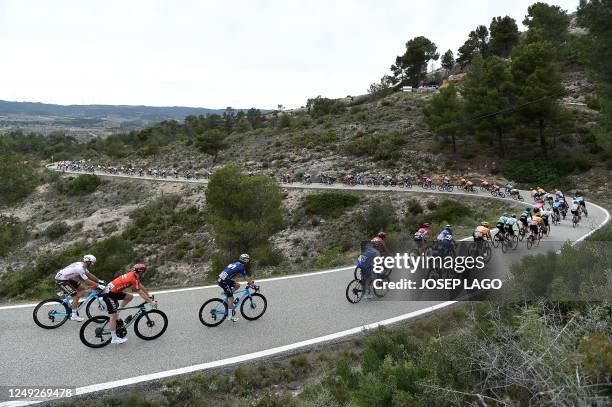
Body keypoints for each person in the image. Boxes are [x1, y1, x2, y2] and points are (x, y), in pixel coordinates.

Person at [101, 263, 157, 344]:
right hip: (109, 295)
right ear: (141, 272)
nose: (144, 274)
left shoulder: (133, 275)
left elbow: (139, 286)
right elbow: (140, 292)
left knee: (129, 297)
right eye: (144, 272)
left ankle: (118, 310)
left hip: (113, 292)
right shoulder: (132, 278)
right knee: (113, 316)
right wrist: (151, 302)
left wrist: (148, 295)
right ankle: (114, 338)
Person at [54, 255, 105, 322]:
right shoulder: (80, 268)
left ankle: (73, 305)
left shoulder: (83, 265)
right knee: (76, 296)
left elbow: (89, 274)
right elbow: (87, 280)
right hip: (61, 280)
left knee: (82, 288)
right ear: (87, 261)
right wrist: (98, 285)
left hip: (66, 279)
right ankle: (74, 316)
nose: (92, 264)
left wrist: (99, 280)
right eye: (91, 262)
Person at [218, 254, 255, 322]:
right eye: (248, 260)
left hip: (223, 279)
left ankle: (227, 292)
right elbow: (246, 277)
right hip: (224, 282)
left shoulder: (236, 263)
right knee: (231, 299)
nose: (248, 261)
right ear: (246, 261)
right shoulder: (241, 267)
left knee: (237, 285)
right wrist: (252, 285)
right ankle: (230, 316)